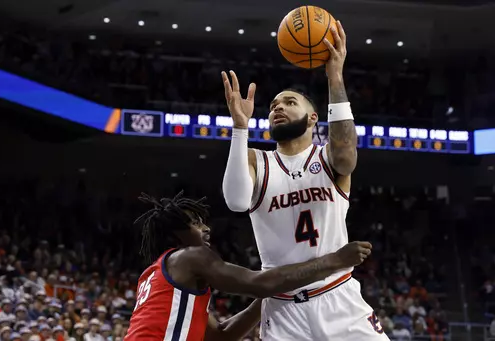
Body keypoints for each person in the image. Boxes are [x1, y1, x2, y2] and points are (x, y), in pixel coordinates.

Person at [221, 21, 389, 340]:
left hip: (338, 298)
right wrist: (240, 127)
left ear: (313, 118)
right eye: (272, 106)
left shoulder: (328, 157)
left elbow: (346, 157)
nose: (278, 108)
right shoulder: (258, 160)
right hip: (283, 311)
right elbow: (235, 201)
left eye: (289, 102)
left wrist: (334, 76)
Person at [123, 191, 372, 341]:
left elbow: (221, 336)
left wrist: (273, 296)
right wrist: (335, 260)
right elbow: (259, 284)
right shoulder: (190, 257)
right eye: (195, 224)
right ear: (175, 234)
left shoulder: (158, 276)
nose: (206, 228)